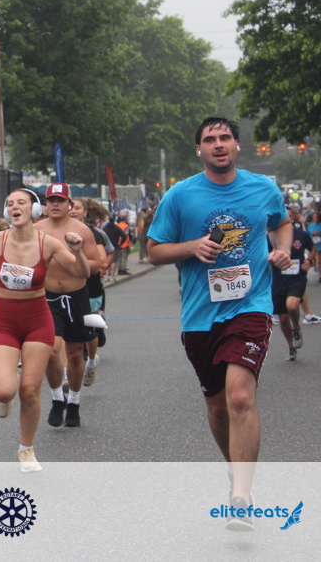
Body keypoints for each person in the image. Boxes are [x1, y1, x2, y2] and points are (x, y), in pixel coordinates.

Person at [147, 117, 292, 532]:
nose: (218, 144)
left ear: (237, 145)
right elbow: (154, 251)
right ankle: (234, 468)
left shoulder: (262, 188)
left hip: (251, 306)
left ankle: (241, 497)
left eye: (225, 137)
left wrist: (282, 249)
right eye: (209, 139)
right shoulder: (180, 195)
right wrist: (191, 246)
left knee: (240, 397)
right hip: (200, 315)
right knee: (217, 404)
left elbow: (281, 221)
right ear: (200, 150)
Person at [0, 189, 89, 472]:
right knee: (4, 391)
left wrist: (77, 252)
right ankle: (4, 395)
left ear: (34, 209)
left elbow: (82, 273)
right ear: (7, 212)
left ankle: (26, 449)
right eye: (10, 204)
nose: (15, 207)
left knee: (29, 389)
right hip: (4, 320)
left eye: (21, 203)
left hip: (38, 320)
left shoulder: (48, 244)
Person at [36, 183, 102, 428]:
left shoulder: (82, 230)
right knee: (51, 351)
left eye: (60, 200)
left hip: (76, 297)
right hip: (47, 297)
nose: (55, 204)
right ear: (45, 204)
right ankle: (57, 398)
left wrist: (74, 257)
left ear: (69, 204)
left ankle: (74, 402)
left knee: (74, 354)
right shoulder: (36, 230)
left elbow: (96, 264)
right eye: (51, 200)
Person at [70, 197, 114, 384]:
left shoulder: (94, 233)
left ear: (85, 212)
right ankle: (69, 371)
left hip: (90, 286)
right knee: (69, 329)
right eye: (70, 207)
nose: (73, 211)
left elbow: (104, 260)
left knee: (89, 326)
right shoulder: (57, 232)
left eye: (77, 208)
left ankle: (91, 360)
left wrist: (81, 261)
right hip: (67, 287)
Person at [271, 208, 315, 361]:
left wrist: (309, 260)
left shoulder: (301, 235)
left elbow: (313, 247)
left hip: (297, 278)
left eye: (289, 216)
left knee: (292, 305)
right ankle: (291, 346)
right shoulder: (270, 236)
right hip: (279, 280)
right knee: (283, 319)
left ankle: (296, 327)